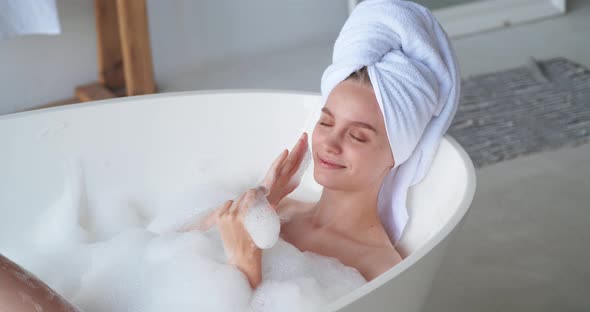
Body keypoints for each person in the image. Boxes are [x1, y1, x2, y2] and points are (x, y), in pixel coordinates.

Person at [206, 66, 403, 289]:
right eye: (326, 123)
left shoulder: (381, 268)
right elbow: (170, 246)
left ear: (395, 155)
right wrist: (262, 196)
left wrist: (246, 269)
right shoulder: (278, 210)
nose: (329, 143)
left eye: (357, 137)